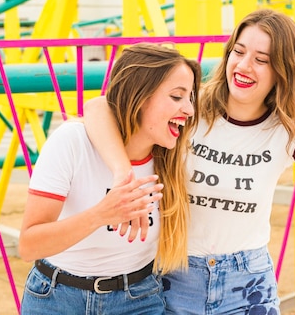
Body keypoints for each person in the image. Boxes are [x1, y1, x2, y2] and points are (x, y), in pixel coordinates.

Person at [83, 9, 295, 314]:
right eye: (238, 52)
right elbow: (99, 107)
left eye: (261, 60)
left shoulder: (284, 132)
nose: (244, 66)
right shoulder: (192, 107)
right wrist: (122, 173)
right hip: (175, 274)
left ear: (281, 70)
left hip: (247, 282)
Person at [19, 42, 202, 314]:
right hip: (57, 299)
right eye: (177, 97)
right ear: (138, 96)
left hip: (139, 299)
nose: (189, 110)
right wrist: (102, 214)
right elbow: (29, 245)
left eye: (190, 98)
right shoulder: (73, 141)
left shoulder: (173, 157)